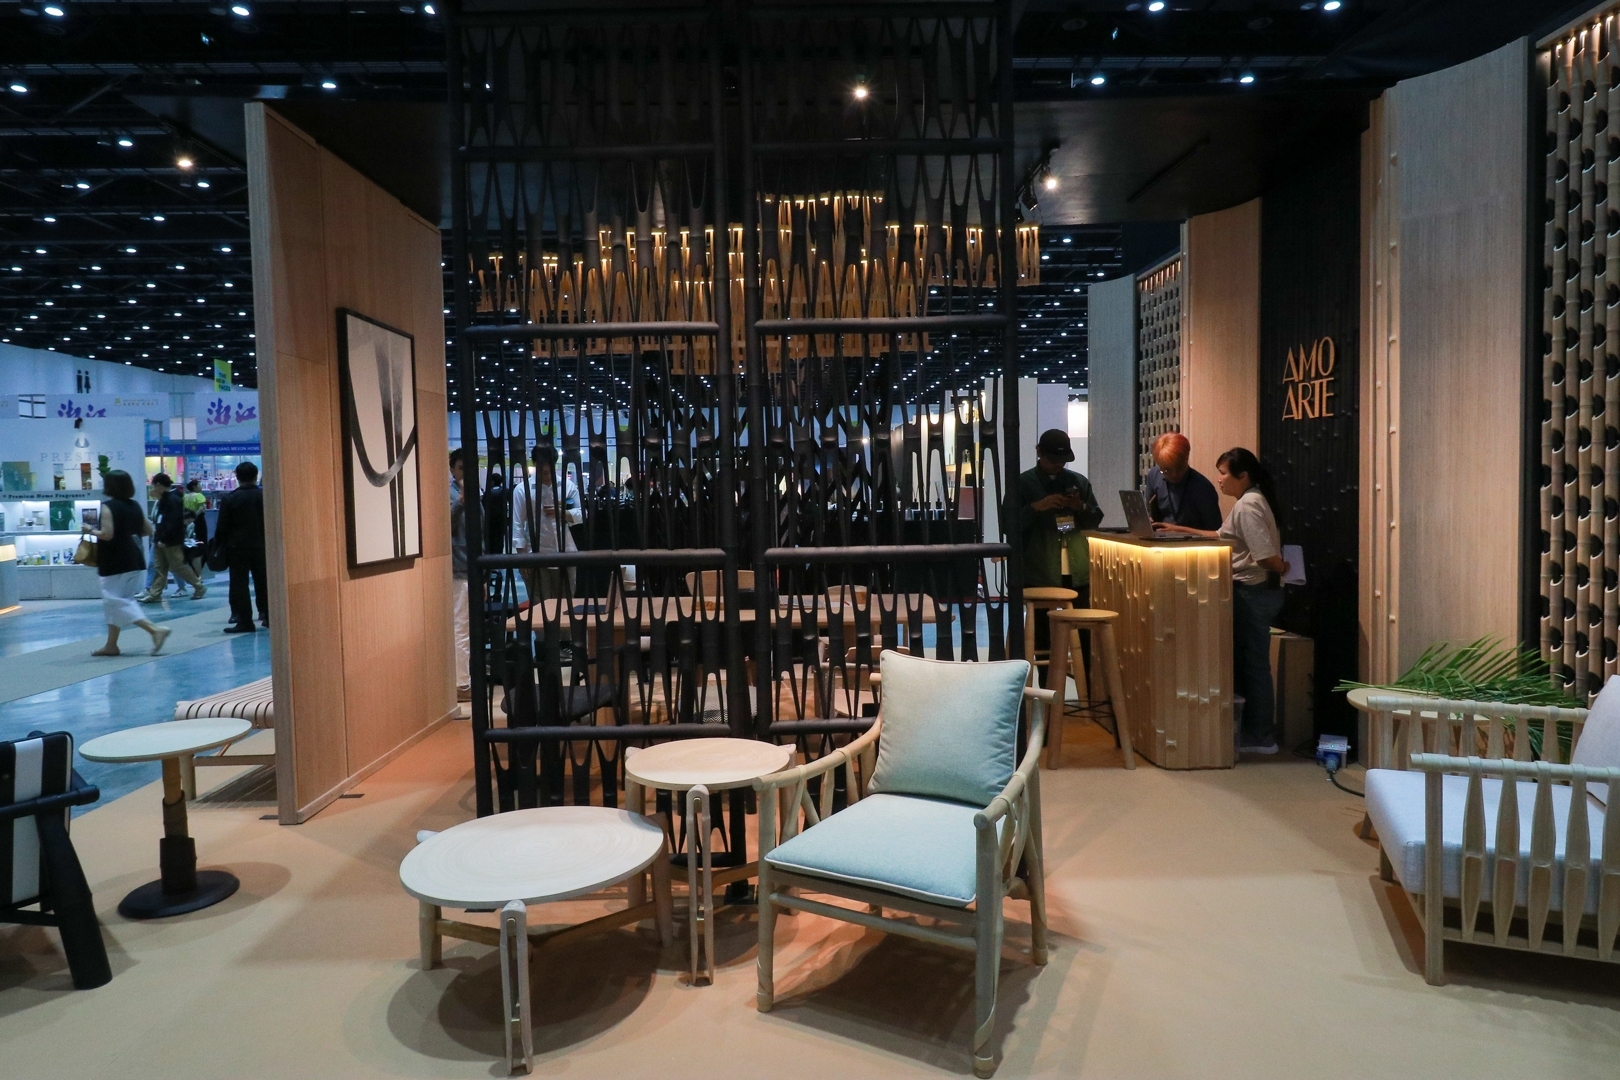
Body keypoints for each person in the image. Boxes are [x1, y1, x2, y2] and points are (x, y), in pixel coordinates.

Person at [1155, 447, 1288, 754]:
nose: (1219, 479)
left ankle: (1262, 736)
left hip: (1254, 591)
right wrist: (1177, 529)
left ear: (1243, 475)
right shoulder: (1249, 500)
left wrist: (1283, 567)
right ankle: (1255, 732)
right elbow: (1220, 535)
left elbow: (1265, 557)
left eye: (1224, 473)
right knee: (1249, 662)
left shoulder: (1248, 506)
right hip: (1255, 591)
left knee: (1254, 664)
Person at [82, 469, 171, 657]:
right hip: (133, 558)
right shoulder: (134, 505)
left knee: (115, 600)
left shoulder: (108, 507)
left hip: (114, 560)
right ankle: (111, 645)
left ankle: (154, 630)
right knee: (116, 601)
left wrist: (90, 530)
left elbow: (107, 534)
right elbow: (148, 530)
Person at [1014, 428, 1103, 598]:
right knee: (1042, 615)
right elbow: (1008, 525)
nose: (1058, 465)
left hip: (1078, 568)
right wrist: (1036, 507)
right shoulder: (1023, 483)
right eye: (1053, 460)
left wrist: (1080, 506)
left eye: (1063, 460)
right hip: (1039, 571)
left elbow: (1095, 521)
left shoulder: (1078, 481)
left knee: (1081, 614)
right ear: (1039, 452)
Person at [510, 439, 582, 601]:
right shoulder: (522, 490)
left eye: (549, 463)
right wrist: (522, 559)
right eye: (541, 463)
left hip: (566, 553)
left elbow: (581, 514)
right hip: (535, 555)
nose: (545, 468)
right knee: (539, 604)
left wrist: (563, 513)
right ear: (534, 463)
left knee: (566, 602)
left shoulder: (568, 486)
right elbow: (517, 524)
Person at [214, 461, 268, 633]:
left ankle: (245, 621)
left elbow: (222, 527)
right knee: (263, 581)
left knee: (239, 584)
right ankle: (267, 615)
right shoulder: (265, 496)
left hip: (237, 548)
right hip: (263, 546)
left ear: (237, 477)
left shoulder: (230, 498)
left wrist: (218, 545)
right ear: (256, 476)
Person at [138, 473, 206, 602]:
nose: (153, 489)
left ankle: (199, 586)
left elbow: (172, 522)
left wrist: (164, 538)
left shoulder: (172, 499)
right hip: (162, 538)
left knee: (178, 566)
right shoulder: (167, 498)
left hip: (170, 540)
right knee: (160, 567)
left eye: (154, 486)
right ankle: (155, 593)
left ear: (158, 485)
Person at [1144, 432, 1222, 532]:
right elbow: (1148, 510)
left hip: (1194, 541)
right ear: (1159, 465)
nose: (1174, 474)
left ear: (1187, 458)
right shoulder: (1154, 475)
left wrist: (1179, 530)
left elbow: (1216, 533)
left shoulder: (1203, 488)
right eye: (1167, 470)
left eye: (1179, 468)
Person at [450, 448, 470, 700]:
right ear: (452, 470)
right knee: (460, 626)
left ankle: (464, 679)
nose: (466, 473)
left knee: (467, 627)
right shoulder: (452, 494)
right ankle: (461, 684)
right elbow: (444, 525)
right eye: (462, 468)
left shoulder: (474, 495)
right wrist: (461, 502)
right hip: (457, 569)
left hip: (470, 568)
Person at [183, 478, 210, 580]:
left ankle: (192, 569)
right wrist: (196, 515)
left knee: (190, 544)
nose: (201, 487)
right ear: (194, 486)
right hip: (199, 522)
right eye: (199, 485)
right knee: (202, 544)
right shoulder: (199, 496)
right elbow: (202, 508)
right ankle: (198, 572)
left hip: (187, 521)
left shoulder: (185, 497)